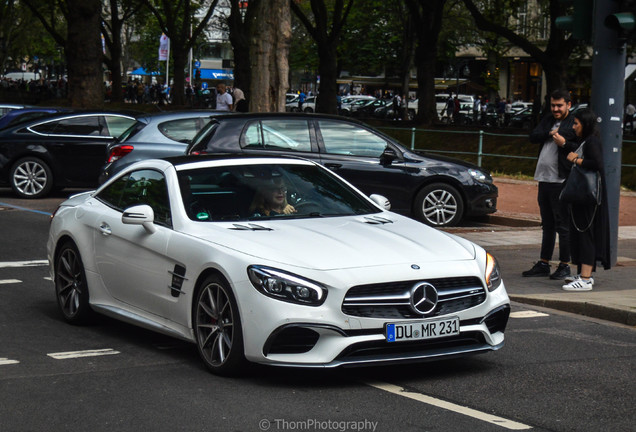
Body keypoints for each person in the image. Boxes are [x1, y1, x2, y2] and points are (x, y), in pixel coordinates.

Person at [522, 89, 578, 280]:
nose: (555, 109)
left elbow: (578, 144)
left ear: (568, 105)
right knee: (547, 224)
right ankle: (544, 262)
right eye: (553, 105)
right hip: (544, 179)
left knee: (563, 224)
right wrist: (550, 132)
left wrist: (563, 141)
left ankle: (565, 265)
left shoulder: (573, 122)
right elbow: (534, 136)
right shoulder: (548, 120)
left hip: (561, 180)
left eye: (559, 105)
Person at [561, 109, 611, 291]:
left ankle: (585, 278)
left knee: (585, 233)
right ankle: (584, 274)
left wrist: (577, 160)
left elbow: (596, 164)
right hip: (584, 196)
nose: (574, 127)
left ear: (585, 124)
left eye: (576, 123)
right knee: (581, 232)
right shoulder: (587, 141)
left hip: (588, 197)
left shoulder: (591, 142)